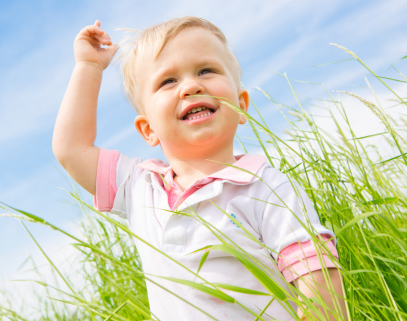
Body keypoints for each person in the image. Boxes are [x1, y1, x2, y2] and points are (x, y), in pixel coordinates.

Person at [52, 17, 347, 320]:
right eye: (168, 81)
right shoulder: (140, 187)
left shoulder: (265, 187)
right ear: (148, 129)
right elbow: (71, 150)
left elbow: (317, 276)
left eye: (206, 70)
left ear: (241, 105)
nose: (191, 86)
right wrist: (88, 68)